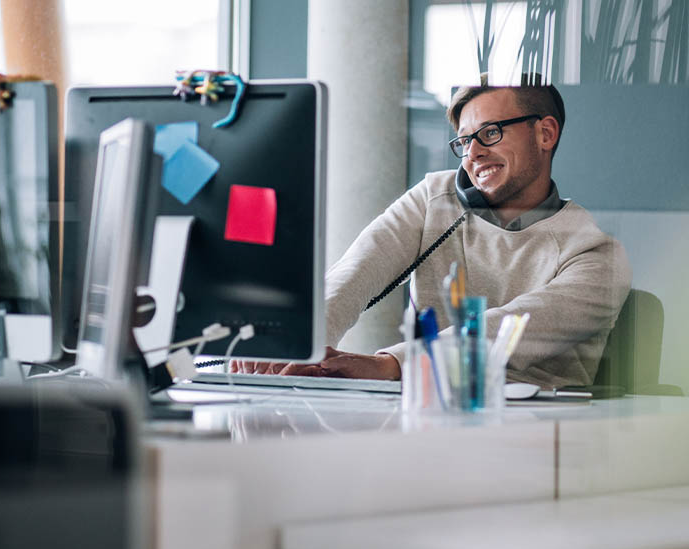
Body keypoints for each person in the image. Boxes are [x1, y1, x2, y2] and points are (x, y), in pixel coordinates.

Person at [240, 74, 632, 389]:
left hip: (535, 437)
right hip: (422, 415)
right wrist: (294, 342)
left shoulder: (596, 255)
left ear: (546, 134)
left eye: (490, 133)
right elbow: (353, 274)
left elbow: (503, 332)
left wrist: (391, 364)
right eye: (464, 140)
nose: (473, 153)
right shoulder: (436, 198)